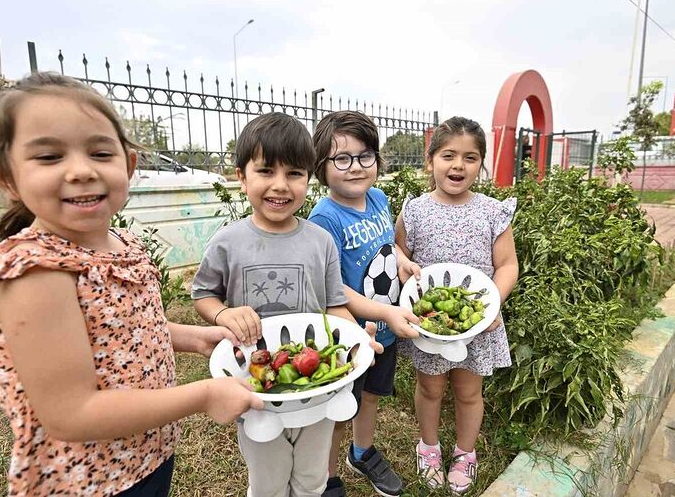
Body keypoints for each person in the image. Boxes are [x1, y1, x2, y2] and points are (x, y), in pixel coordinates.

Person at [0, 72, 262, 497]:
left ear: (128, 164)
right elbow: (71, 412)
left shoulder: (121, 244)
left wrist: (192, 337)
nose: (81, 171)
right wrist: (203, 396)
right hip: (87, 479)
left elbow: (125, 329)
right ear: (4, 174)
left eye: (100, 152)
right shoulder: (34, 272)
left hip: (145, 453)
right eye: (50, 156)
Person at [191, 112, 383, 497]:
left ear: (309, 178)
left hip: (315, 383)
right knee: (268, 482)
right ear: (241, 176)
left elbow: (334, 305)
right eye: (265, 171)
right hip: (256, 386)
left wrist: (354, 339)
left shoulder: (319, 241)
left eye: (294, 173)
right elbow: (203, 295)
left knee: (312, 479)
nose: (280, 186)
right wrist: (223, 313)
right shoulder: (228, 242)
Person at [395, 116, 519, 494]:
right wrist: (403, 268)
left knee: (469, 392)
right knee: (430, 389)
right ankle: (428, 447)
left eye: (470, 157)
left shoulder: (491, 211)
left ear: (481, 164)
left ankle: (466, 453)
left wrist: (492, 304)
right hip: (430, 320)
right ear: (430, 160)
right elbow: (398, 251)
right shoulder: (415, 210)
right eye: (448, 155)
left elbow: (507, 264)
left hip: (476, 321)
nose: (458, 165)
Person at [307, 111, 419, 497]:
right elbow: (332, 287)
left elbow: (387, 246)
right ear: (321, 166)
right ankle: (326, 477)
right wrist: (386, 311)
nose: (355, 167)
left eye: (364, 155)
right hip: (350, 337)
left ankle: (363, 451)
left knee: (372, 395)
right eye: (342, 158)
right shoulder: (325, 218)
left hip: (386, 332)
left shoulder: (379, 198)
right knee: (339, 411)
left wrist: (401, 261)